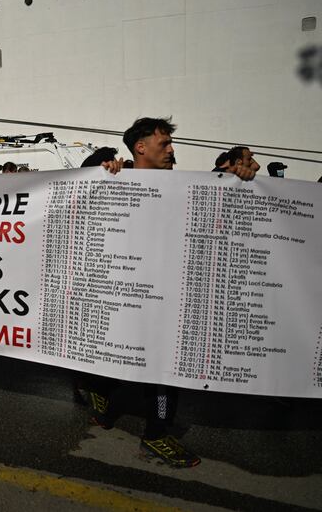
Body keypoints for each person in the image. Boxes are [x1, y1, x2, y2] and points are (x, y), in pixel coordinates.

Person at [84, 117, 260, 469]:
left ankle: (156, 434)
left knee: (164, 366)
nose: (171, 150)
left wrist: (246, 174)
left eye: (170, 144)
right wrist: (103, 174)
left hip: (166, 296)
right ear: (140, 148)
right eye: (164, 144)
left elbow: (231, 188)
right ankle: (101, 391)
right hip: (123, 291)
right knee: (119, 355)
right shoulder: (114, 177)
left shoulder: (184, 184)